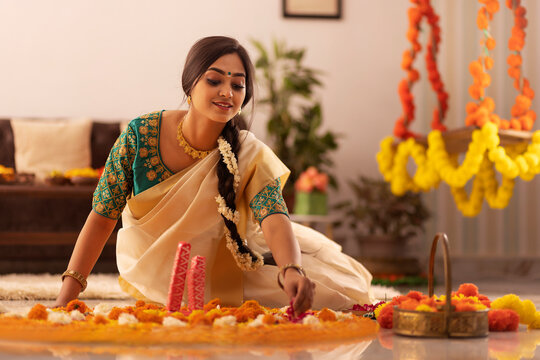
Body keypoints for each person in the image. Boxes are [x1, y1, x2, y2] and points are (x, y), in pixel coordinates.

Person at [54, 36, 373, 315]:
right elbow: (102, 217)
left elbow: (273, 216)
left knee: (339, 292)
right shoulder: (139, 136)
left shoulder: (247, 151)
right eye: (214, 80)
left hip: (226, 267)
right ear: (190, 83)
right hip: (151, 270)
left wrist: (291, 269)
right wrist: (66, 298)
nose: (227, 92)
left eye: (237, 85)